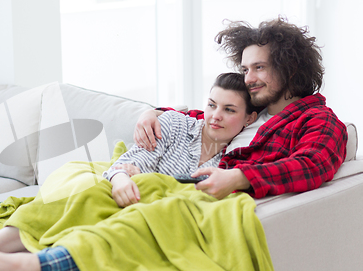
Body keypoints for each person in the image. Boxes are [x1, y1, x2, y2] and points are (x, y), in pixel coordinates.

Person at [0, 72, 257, 271]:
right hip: (123, 194)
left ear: (249, 119)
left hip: (151, 218)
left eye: (229, 110)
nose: (215, 116)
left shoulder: (234, 162)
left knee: (99, 227)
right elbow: (131, 162)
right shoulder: (174, 124)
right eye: (212, 105)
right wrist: (122, 177)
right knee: (85, 198)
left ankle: (2, 252)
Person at [134, 16, 347, 199]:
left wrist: (239, 177)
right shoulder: (254, 112)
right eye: (245, 70)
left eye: (259, 68)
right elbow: (206, 117)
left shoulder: (318, 119)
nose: (249, 79)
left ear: (289, 69)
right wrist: (153, 113)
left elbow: (312, 165)